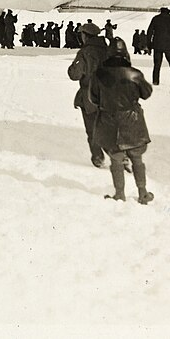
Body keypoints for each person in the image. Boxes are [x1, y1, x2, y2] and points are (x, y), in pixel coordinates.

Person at [89, 44, 154, 204]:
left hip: (109, 121)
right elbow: (146, 93)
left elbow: (93, 98)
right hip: (133, 122)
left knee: (116, 159)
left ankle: (119, 194)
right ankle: (143, 192)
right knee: (137, 159)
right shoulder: (135, 74)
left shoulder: (98, 74)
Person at [68, 22, 111, 167]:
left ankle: (98, 157)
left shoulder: (85, 52)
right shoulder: (108, 49)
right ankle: (119, 156)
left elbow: (74, 74)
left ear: (85, 36)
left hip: (90, 97)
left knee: (92, 128)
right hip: (107, 96)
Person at [145, 7, 170, 87]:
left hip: (157, 45)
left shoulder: (155, 19)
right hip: (169, 46)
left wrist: (149, 45)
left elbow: (149, 32)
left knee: (157, 65)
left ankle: (155, 82)